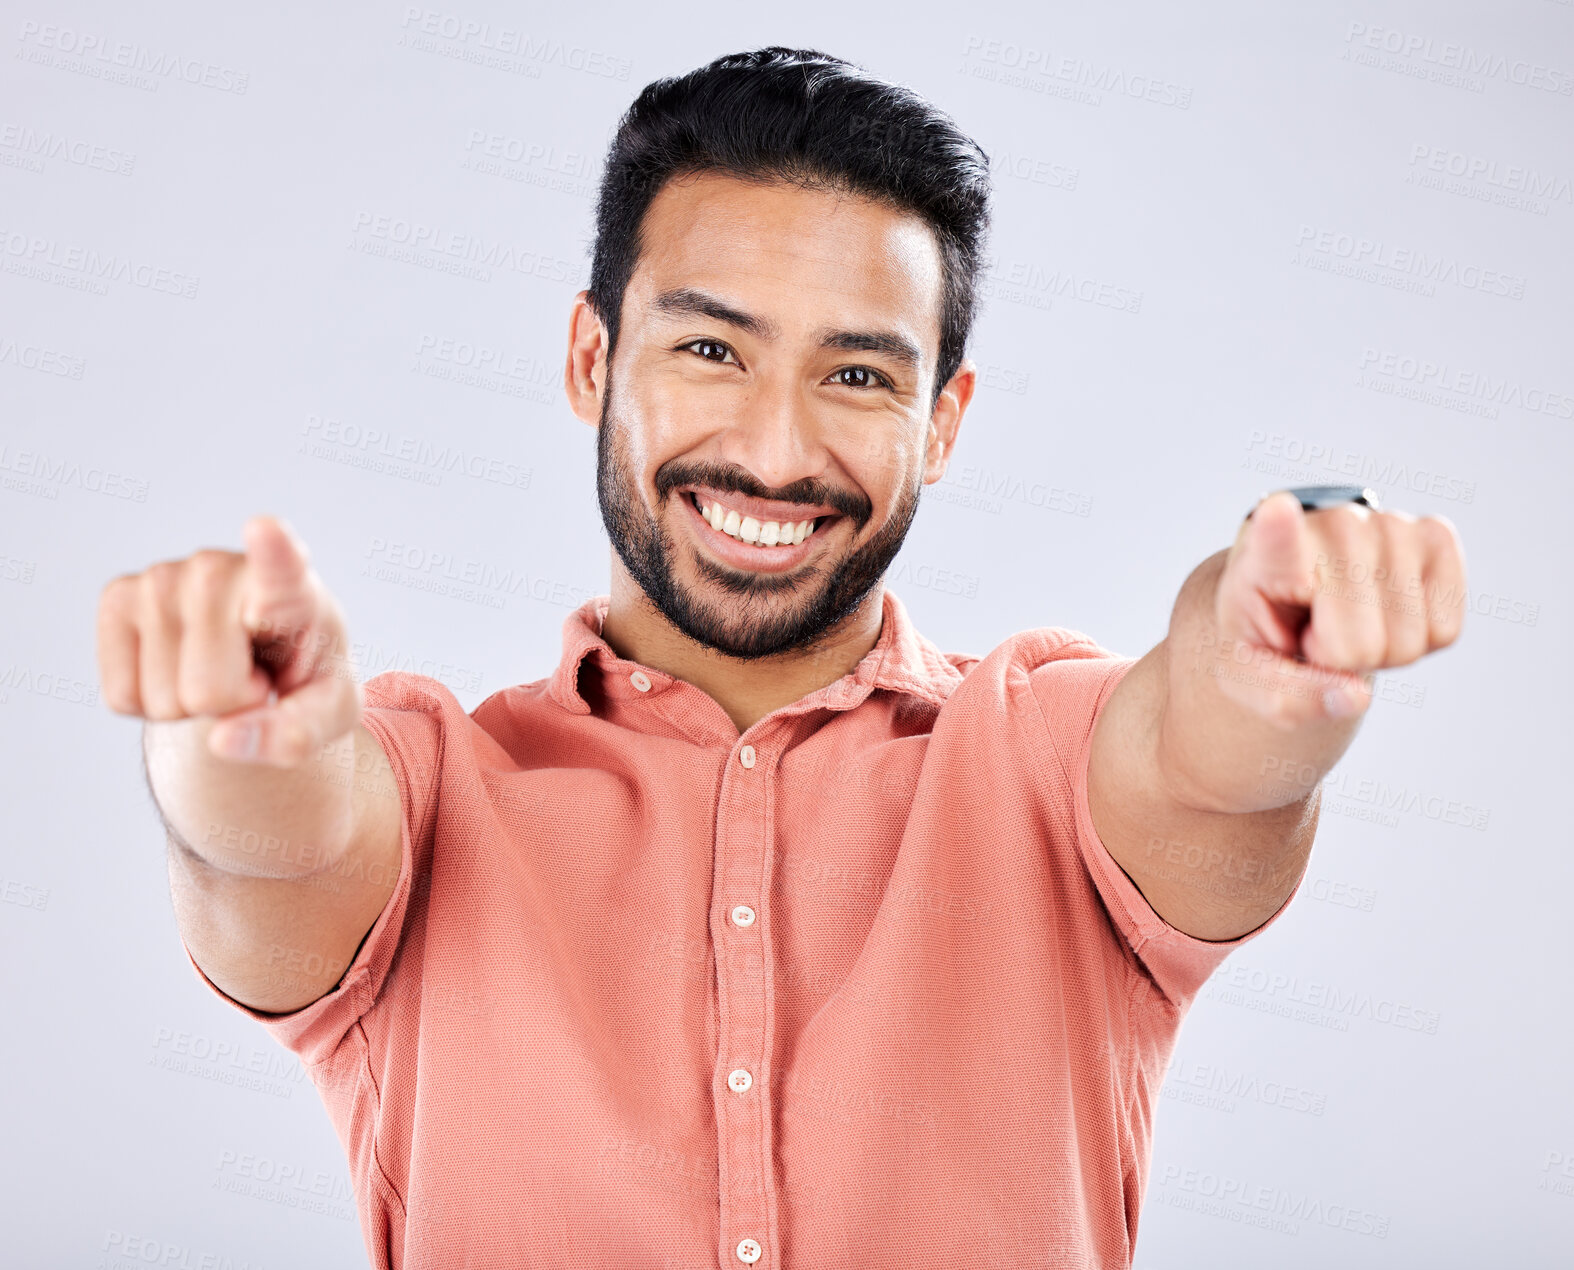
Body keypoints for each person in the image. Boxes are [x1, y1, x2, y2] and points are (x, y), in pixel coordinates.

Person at [97, 46, 1466, 1270]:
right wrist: (224, 731)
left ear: (941, 421)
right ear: (592, 356)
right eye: (708, 348)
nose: (773, 448)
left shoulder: (1044, 756)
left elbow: (1202, 755)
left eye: (858, 375)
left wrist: (1257, 652)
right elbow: (276, 837)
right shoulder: (429, 789)